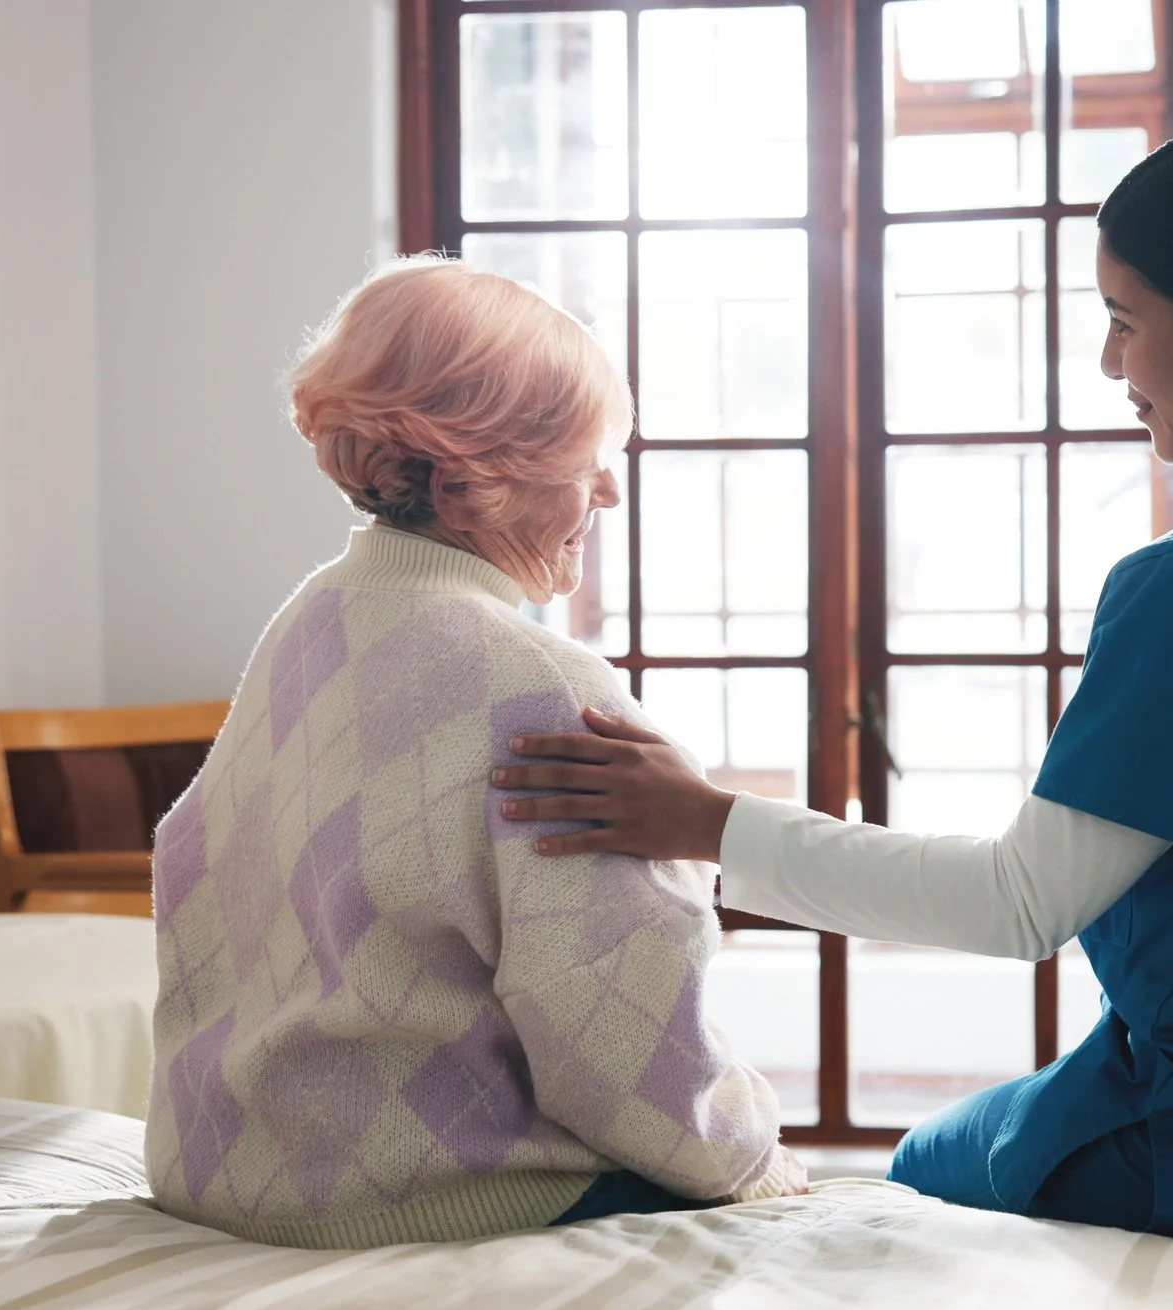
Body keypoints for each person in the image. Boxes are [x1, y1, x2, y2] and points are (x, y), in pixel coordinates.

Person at [494, 116, 1173, 1248]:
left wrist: (705, 820)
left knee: (918, 1165)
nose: (1111, 364)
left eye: (1124, 322)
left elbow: (1019, 905)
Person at [145, 257, 805, 1249]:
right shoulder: (541, 686)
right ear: (474, 480)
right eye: (586, 459)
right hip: (427, 1198)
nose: (609, 492)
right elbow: (625, 1055)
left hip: (230, 1175)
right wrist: (764, 1162)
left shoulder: (309, 621)